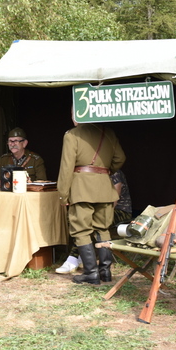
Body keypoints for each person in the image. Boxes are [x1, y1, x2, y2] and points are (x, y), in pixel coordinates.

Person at [57, 114, 125, 284]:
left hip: (81, 188)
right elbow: (120, 158)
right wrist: (104, 172)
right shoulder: (108, 133)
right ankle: (105, 272)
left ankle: (91, 273)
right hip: (104, 187)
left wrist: (63, 193)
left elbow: (66, 167)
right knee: (103, 229)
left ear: (75, 115)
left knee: (81, 230)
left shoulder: (72, 134)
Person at [56, 169, 132, 276]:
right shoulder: (90, 174)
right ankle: (82, 258)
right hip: (98, 211)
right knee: (82, 220)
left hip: (120, 211)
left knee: (88, 222)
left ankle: (74, 258)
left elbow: (115, 199)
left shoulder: (114, 173)